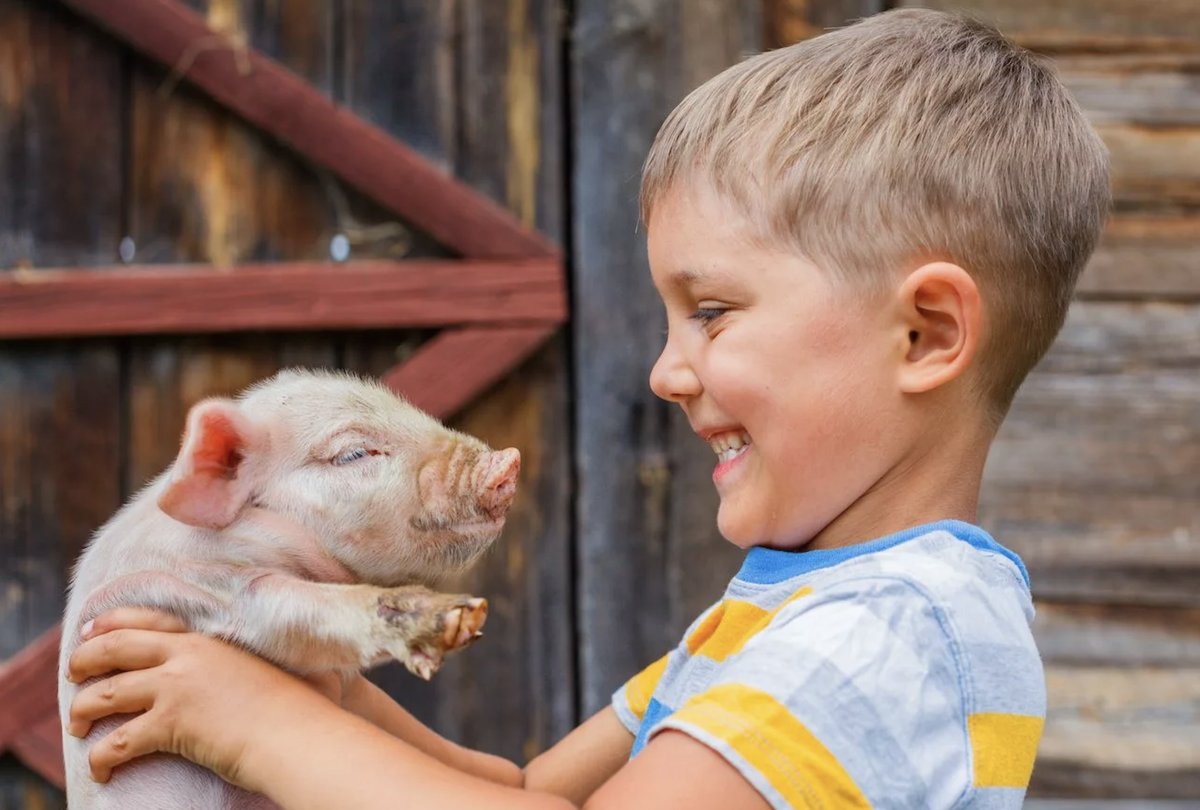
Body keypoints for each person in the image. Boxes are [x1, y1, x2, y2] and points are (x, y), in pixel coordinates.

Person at [64, 7, 1110, 809]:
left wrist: (253, 729)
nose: (666, 369)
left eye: (712, 312)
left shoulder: (887, 632)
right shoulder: (774, 616)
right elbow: (527, 793)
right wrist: (309, 688)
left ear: (924, 334)